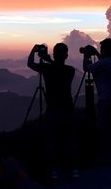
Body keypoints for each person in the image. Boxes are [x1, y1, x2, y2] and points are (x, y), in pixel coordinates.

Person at [27, 43, 78, 180]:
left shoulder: (47, 69)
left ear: (54, 55)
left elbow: (30, 63)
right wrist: (50, 60)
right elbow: (59, 67)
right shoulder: (70, 70)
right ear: (66, 56)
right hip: (68, 110)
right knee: (70, 141)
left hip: (52, 111)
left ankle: (53, 171)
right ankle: (73, 170)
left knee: (51, 142)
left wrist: (34, 50)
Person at [83, 38, 111, 163]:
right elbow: (104, 62)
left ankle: (103, 156)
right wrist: (96, 53)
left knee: (102, 128)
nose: (100, 50)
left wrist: (86, 56)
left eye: (101, 48)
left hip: (105, 100)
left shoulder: (103, 63)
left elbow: (86, 68)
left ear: (105, 50)